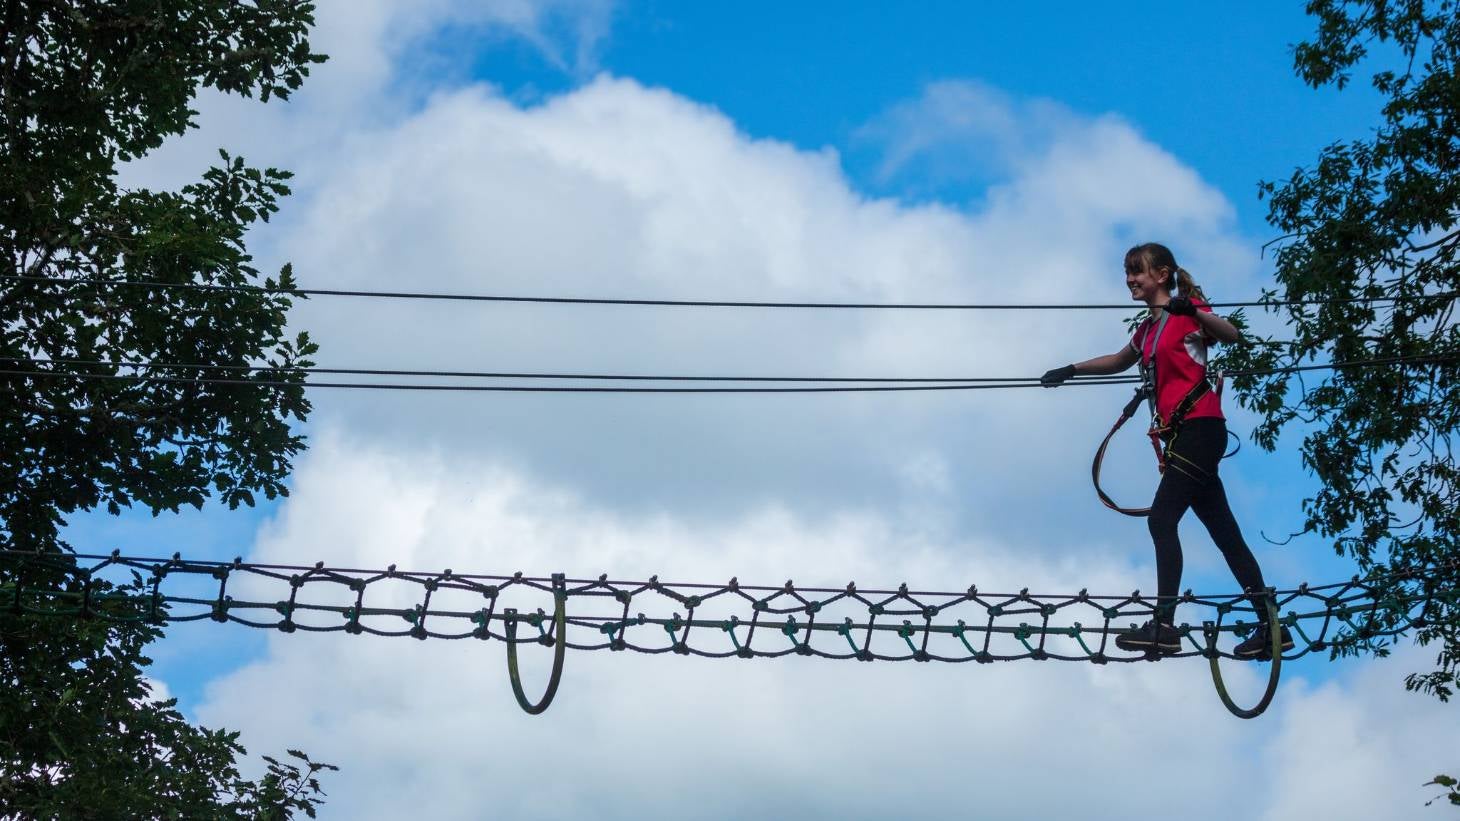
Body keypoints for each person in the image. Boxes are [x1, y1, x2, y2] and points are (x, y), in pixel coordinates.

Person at [1040, 242, 1292, 658]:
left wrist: (1189, 310)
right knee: (1226, 534)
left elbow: (1230, 334)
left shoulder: (1188, 310)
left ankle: (1164, 625)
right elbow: (1120, 360)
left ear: (1162, 274)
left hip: (1200, 429)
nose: (1130, 280)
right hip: (1182, 439)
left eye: (1136, 271)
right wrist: (1071, 370)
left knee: (1162, 520)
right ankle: (1272, 627)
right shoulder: (1148, 328)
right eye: (1127, 272)